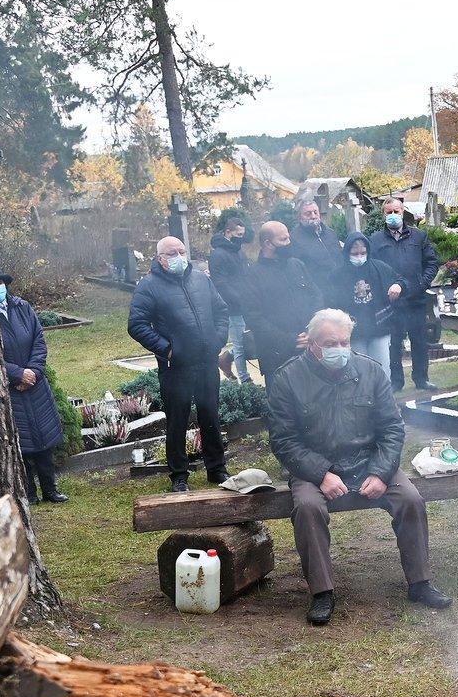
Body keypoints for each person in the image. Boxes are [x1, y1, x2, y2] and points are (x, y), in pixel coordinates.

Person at [266, 309, 452, 625]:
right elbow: (284, 440)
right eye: (330, 343)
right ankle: (322, 592)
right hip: (315, 467)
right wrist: (321, 474)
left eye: (344, 342)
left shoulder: (372, 372)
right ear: (312, 344)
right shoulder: (287, 379)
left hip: (369, 461)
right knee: (308, 508)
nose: (339, 349)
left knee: (410, 499)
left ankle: (420, 583)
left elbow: (392, 428)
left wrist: (380, 472)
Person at [128, 236, 231, 493]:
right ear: (160, 258)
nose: (179, 256)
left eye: (182, 251)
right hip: (176, 367)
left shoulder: (200, 279)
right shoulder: (149, 286)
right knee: (177, 420)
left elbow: (221, 311)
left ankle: (217, 468)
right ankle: (179, 475)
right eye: (172, 253)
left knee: (210, 416)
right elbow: (137, 325)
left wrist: (218, 340)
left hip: (206, 361)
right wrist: (168, 350)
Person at [0, 266, 67, 504]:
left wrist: (33, 372)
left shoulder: (22, 307)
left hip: (35, 384)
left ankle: (50, 489)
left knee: (43, 439)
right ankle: (29, 493)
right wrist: (17, 374)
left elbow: (38, 341)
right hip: (11, 388)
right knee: (21, 444)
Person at [365, 197, 440, 392]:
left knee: (419, 341)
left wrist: (422, 284)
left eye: (396, 212)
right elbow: (371, 269)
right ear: (383, 215)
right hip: (391, 302)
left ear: (402, 212)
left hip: (415, 299)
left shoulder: (418, 237)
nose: (392, 216)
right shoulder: (375, 240)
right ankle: (396, 382)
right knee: (394, 344)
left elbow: (431, 263)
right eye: (388, 212)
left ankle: (422, 379)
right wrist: (384, 291)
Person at [242, 220, 327, 382]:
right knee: (282, 404)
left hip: (309, 348)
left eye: (288, 238)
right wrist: (290, 339)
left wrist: (312, 329)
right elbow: (254, 318)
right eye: (283, 240)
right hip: (277, 356)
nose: (289, 243)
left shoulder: (297, 265)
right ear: (267, 243)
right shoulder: (252, 276)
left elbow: (316, 296)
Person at [336, 231, 401, 375]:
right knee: (359, 371)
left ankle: (384, 397)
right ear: (347, 253)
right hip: (353, 332)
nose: (359, 257)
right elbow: (332, 300)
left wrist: (398, 286)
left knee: (382, 370)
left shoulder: (380, 268)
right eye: (355, 254)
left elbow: (399, 280)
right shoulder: (337, 275)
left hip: (379, 329)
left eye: (363, 253)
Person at [209, 208, 254, 383]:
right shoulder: (218, 254)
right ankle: (245, 379)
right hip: (232, 307)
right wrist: (239, 300)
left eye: (242, 234)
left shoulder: (238, 251)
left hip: (246, 302)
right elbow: (221, 285)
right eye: (238, 234)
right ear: (228, 232)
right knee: (240, 344)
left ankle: (226, 358)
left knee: (252, 338)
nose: (241, 237)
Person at [291, 196, 347, 303]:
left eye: (315, 212)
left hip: (340, 288)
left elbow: (340, 257)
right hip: (320, 295)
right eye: (308, 214)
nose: (313, 216)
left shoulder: (330, 233)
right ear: (299, 217)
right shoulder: (294, 239)